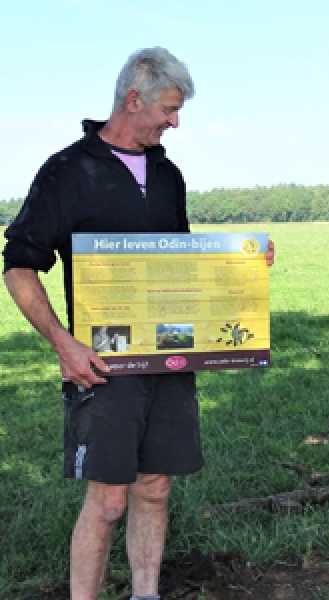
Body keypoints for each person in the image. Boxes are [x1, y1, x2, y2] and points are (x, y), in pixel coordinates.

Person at [3, 47, 274, 600]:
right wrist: (64, 344)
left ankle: (145, 594)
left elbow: (183, 267)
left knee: (154, 489)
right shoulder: (65, 171)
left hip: (170, 362)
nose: (175, 121)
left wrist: (243, 268)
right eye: (169, 109)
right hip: (102, 365)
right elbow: (19, 267)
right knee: (108, 502)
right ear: (133, 100)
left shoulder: (168, 173)